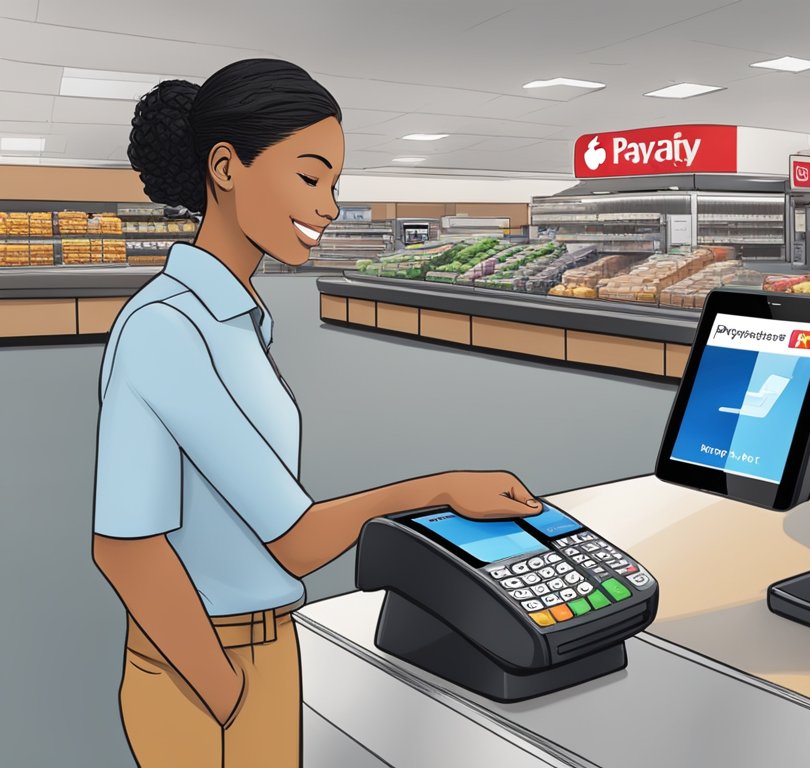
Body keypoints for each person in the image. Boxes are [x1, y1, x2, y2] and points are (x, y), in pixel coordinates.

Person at [90, 59, 541, 768]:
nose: (329, 206)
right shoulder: (168, 328)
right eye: (309, 177)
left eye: (334, 183)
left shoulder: (236, 323)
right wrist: (224, 689)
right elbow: (135, 544)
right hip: (205, 666)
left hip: (261, 647)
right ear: (225, 167)